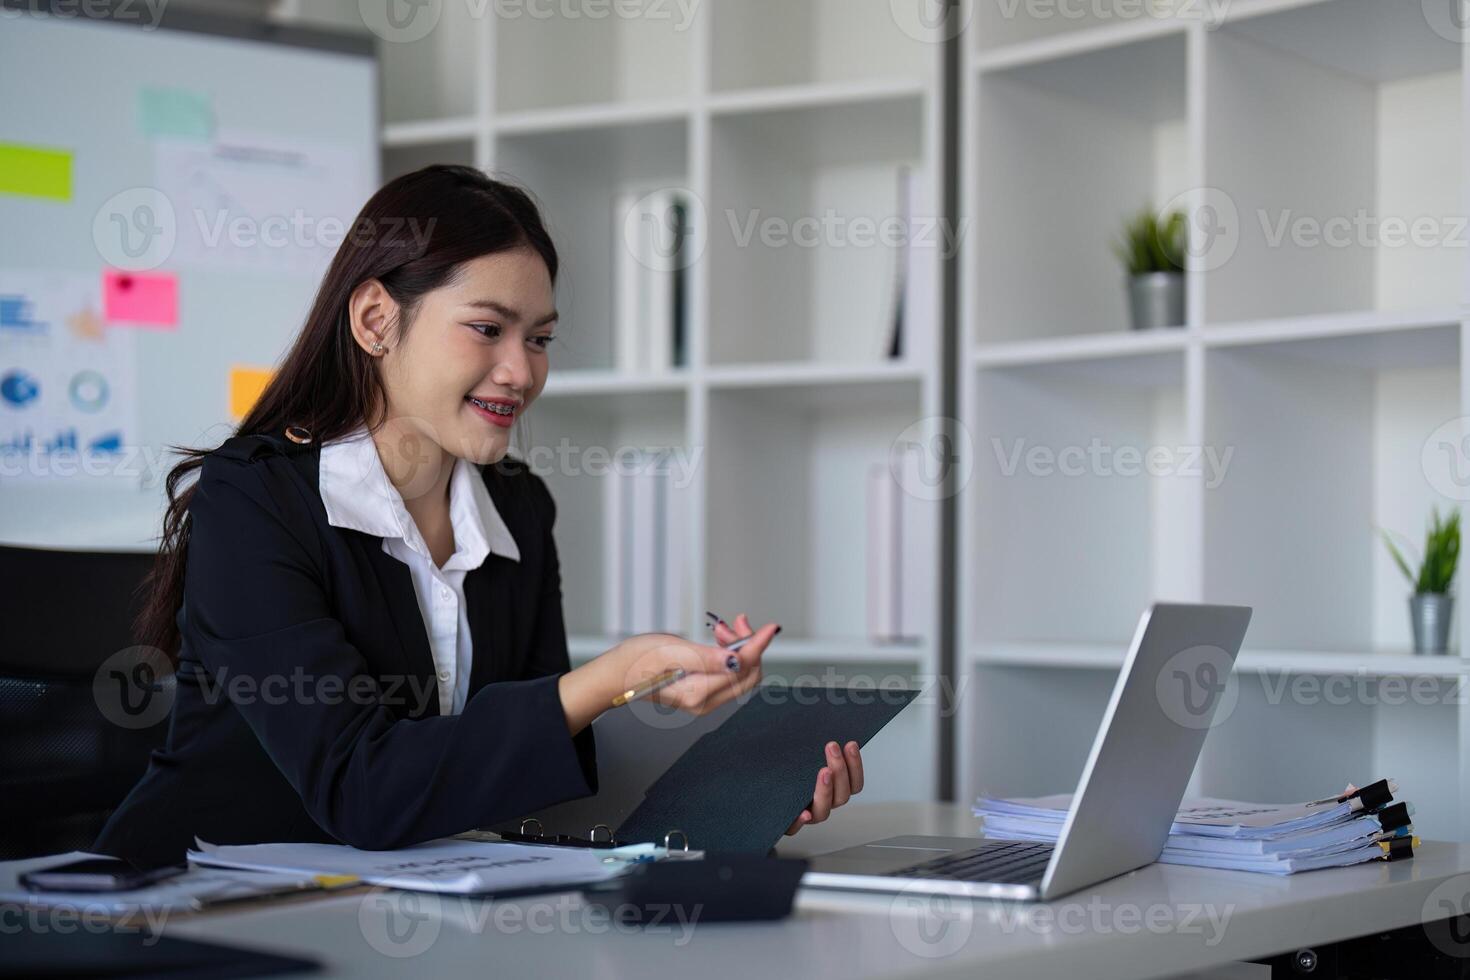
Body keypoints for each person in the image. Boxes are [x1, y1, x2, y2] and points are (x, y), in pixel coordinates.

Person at [94, 165, 864, 867]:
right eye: (487, 329)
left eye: (540, 339)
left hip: (390, 902)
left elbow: (527, 787)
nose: (521, 371)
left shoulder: (518, 508)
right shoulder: (256, 500)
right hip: (193, 907)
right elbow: (364, 789)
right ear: (374, 321)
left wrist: (741, 783)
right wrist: (607, 678)